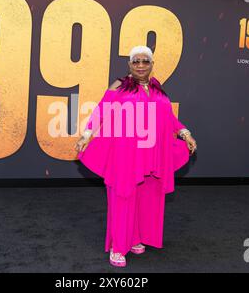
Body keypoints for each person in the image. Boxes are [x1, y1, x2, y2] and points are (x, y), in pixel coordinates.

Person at [74, 45, 197, 267]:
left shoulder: (157, 88)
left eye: (145, 61)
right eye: (136, 61)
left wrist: (184, 133)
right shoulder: (119, 86)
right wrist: (86, 135)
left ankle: (135, 238)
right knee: (124, 196)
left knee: (145, 196)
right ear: (130, 64)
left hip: (152, 153)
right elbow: (101, 110)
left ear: (151, 64)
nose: (141, 65)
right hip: (126, 153)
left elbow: (168, 118)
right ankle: (117, 246)